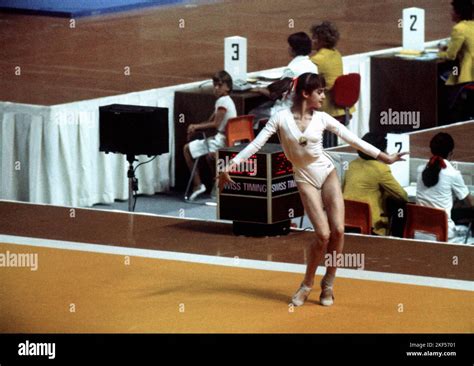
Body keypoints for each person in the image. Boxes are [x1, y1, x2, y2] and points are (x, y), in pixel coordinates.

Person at [218, 73, 406, 306]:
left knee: (338, 230)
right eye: (320, 92)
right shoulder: (280, 118)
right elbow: (256, 144)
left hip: (327, 173)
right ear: (306, 94)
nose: (324, 96)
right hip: (304, 178)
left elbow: (354, 140)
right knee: (323, 235)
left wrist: (384, 157)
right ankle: (307, 283)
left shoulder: (323, 118)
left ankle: (328, 283)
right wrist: (232, 165)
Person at [183, 70, 237, 201]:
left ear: (228, 87)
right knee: (209, 157)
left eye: (220, 85)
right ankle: (216, 184)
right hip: (227, 139)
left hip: (222, 141)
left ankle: (198, 185)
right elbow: (209, 121)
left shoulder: (223, 102)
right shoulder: (224, 101)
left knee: (186, 149)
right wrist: (196, 127)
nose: (216, 88)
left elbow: (216, 124)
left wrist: (195, 126)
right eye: (215, 85)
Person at [343, 133, 408, 236]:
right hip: (371, 226)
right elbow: (403, 195)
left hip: (346, 221)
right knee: (400, 205)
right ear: (380, 152)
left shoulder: (351, 165)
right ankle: (396, 244)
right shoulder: (380, 169)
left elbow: (342, 190)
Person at [250, 32, 318, 129]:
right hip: (304, 110)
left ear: (293, 49)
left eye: (290, 46)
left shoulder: (292, 69)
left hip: (287, 111)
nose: (288, 48)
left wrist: (259, 89)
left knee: (252, 113)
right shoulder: (313, 67)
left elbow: (274, 94)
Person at [416, 132, 474, 240]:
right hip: (443, 234)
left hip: (419, 232)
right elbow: (471, 202)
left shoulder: (420, 170)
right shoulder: (452, 173)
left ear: (431, 150)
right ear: (451, 152)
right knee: (469, 232)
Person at [310, 21, 353, 146]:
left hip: (327, 108)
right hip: (342, 108)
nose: (312, 40)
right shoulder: (337, 54)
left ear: (322, 41)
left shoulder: (317, 59)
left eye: (315, 38)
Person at [438, 0, 474, 122]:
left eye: (452, 11)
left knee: (441, 78)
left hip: (467, 75)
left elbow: (450, 56)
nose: (450, 13)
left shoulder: (459, 28)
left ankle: (445, 115)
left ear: (458, 13)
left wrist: (439, 53)